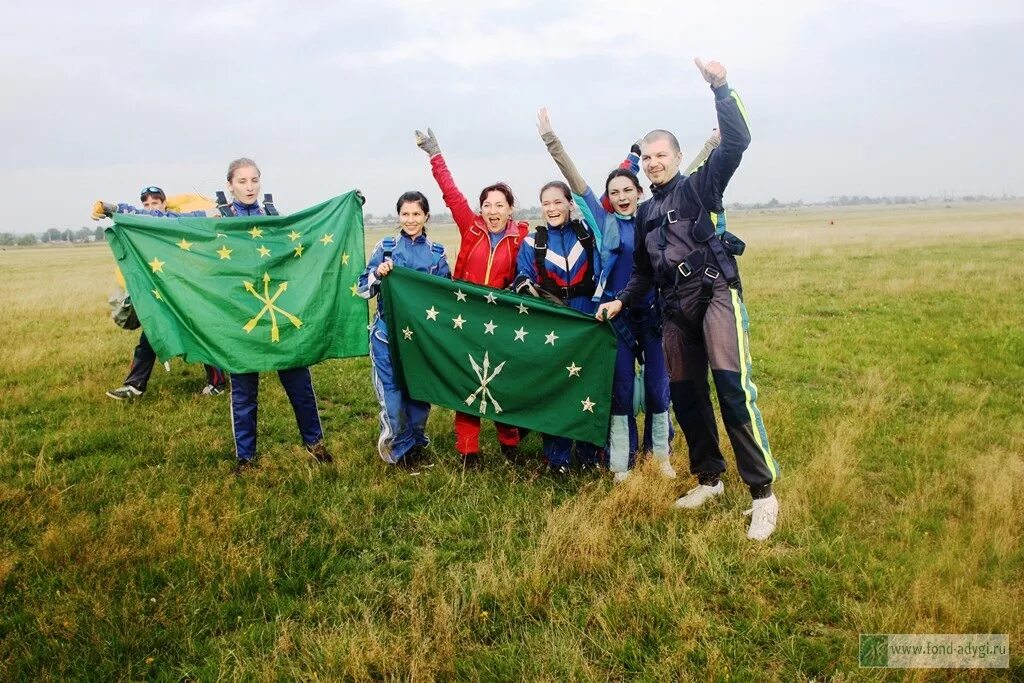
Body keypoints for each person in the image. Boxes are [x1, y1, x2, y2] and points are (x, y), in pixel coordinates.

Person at [595, 59, 781, 541]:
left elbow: (737, 141)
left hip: (714, 294)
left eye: (661, 154)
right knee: (687, 396)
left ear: (677, 156)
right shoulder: (645, 211)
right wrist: (620, 301)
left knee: (732, 388)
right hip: (672, 310)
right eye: (647, 158)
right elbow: (639, 271)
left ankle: (763, 495)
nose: (654, 162)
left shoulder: (701, 186)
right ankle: (710, 480)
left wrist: (720, 86)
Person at [538, 111, 719, 484]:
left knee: (658, 389)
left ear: (639, 192)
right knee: (620, 393)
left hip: (657, 317)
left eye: (627, 191)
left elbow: (688, 175)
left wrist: (712, 145)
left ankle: (661, 457)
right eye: (614, 192)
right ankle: (621, 462)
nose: (621, 197)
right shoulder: (602, 221)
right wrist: (551, 139)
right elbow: (574, 180)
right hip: (615, 320)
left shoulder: (656, 214)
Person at [414, 128, 526, 469]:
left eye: (499, 205)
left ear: (510, 209)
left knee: (500, 381)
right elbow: (450, 193)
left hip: (500, 321)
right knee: (468, 382)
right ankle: (468, 450)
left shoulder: (521, 238)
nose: (492, 210)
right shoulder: (471, 227)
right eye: (487, 205)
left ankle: (510, 443)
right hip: (465, 320)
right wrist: (435, 154)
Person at [217, 158, 333, 473]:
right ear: (230, 184)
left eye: (254, 180)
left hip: (278, 318)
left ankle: (315, 444)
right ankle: (246, 457)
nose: (250, 186)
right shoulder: (219, 218)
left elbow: (301, 244)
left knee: (299, 384)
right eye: (242, 181)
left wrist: (347, 206)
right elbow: (170, 222)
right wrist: (117, 210)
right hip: (242, 316)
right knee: (243, 391)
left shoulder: (273, 216)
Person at [93, 186, 227, 399]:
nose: (150, 207)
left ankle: (217, 382)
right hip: (159, 292)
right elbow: (134, 215)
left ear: (164, 203)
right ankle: (134, 385)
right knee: (152, 333)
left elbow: (200, 216)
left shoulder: (175, 220)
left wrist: (222, 210)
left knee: (197, 332)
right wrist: (111, 209)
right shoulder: (142, 226)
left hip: (183, 289)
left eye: (155, 203)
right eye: (146, 204)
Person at [357, 191, 451, 469]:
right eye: (405, 214)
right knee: (392, 394)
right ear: (399, 216)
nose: (410, 220)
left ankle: (417, 443)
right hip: (387, 337)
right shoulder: (385, 247)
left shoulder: (437, 253)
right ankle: (399, 449)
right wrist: (378, 273)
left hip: (421, 339)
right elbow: (363, 288)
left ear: (426, 217)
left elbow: (444, 296)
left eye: (416, 214)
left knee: (419, 393)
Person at [515, 181, 602, 476]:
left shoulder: (587, 234)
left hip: (588, 320)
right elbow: (523, 277)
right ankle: (558, 458)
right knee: (556, 388)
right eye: (546, 203)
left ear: (569, 204)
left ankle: (591, 453)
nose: (552, 208)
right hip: (552, 324)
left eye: (557, 202)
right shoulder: (531, 242)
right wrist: (526, 287)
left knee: (589, 385)